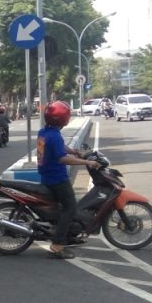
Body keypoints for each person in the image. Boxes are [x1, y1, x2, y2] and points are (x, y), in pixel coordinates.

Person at [38, 101, 100, 259]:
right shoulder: (54, 136)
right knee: (71, 208)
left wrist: (74, 151)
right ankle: (58, 245)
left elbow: (59, 148)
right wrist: (87, 162)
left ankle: (59, 231)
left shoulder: (45, 132)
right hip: (57, 179)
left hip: (46, 176)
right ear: (62, 118)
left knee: (61, 208)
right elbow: (63, 159)